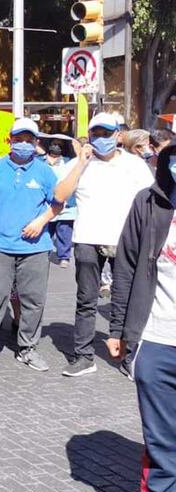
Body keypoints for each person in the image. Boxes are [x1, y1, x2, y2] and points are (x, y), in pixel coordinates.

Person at [106, 144, 176, 492]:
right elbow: (127, 266)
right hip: (158, 339)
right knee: (161, 439)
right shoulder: (149, 203)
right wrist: (118, 328)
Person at [54, 113, 155, 377]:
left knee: (125, 299)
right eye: (95, 134)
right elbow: (60, 195)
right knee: (86, 299)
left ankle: (127, 354)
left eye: (106, 133)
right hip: (87, 239)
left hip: (125, 240)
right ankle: (83, 355)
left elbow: (149, 201)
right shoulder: (80, 164)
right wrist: (80, 164)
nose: (101, 139)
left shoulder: (134, 165)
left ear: (118, 136)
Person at [0, 118, 61, 371]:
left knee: (33, 300)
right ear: (10, 140)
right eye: (19, 139)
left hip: (36, 248)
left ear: (36, 142)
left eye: (29, 140)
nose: (24, 144)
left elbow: (60, 202)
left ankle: (27, 348)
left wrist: (41, 222)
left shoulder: (45, 172)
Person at [44, 141, 76, 267]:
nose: (56, 147)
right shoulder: (40, 162)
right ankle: (44, 253)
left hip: (66, 204)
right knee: (46, 231)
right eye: (53, 144)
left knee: (64, 231)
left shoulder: (69, 162)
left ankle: (64, 257)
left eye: (59, 145)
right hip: (47, 204)